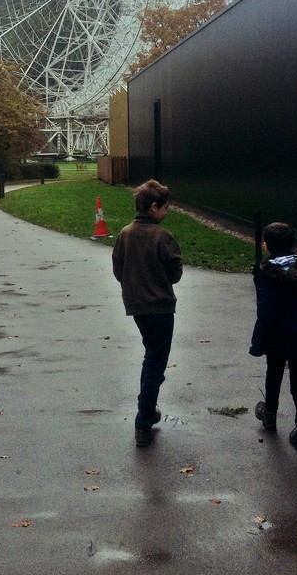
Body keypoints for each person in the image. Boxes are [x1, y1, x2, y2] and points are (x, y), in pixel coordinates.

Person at [112, 179, 182, 447]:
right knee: (156, 363)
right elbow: (175, 271)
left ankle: (148, 410)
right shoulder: (161, 237)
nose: (166, 213)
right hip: (160, 307)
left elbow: (119, 270)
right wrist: (160, 279)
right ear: (154, 207)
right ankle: (143, 420)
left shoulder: (125, 234)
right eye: (165, 208)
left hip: (137, 307)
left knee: (150, 356)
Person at [249, 221, 297, 449]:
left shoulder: (268, 273)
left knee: (274, 372)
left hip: (277, 333)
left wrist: (258, 341)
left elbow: (266, 309)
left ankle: (269, 412)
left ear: (267, 245)